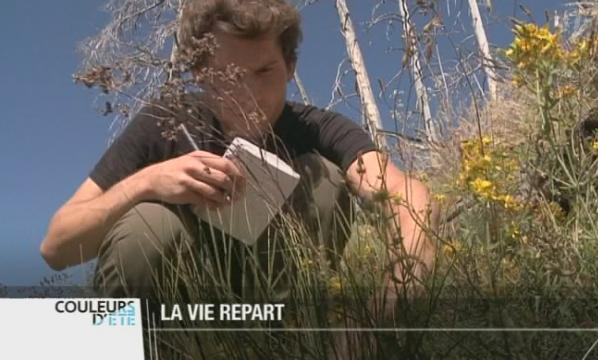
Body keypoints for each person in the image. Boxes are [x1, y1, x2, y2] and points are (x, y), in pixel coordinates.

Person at [40, 0, 438, 307]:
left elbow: (409, 201)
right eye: (226, 75)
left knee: (322, 178)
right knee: (150, 223)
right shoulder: (167, 121)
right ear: (198, 71)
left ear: (290, 66)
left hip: (277, 308)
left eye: (264, 72)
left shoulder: (318, 128)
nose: (247, 92)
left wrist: (392, 300)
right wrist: (148, 182)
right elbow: (56, 246)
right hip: (175, 314)